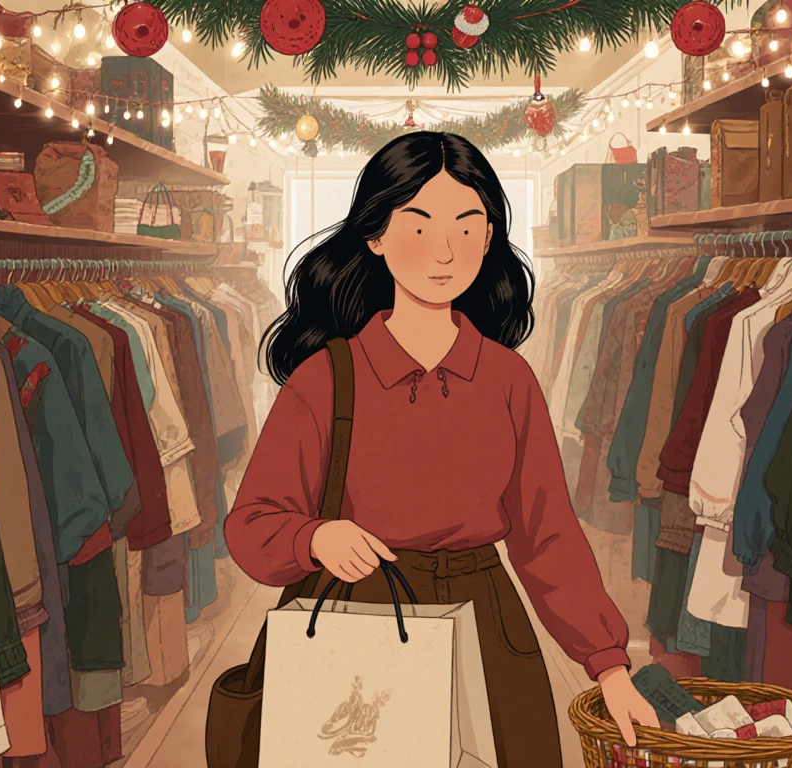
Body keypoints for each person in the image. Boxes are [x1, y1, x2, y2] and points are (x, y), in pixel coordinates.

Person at [225, 131, 658, 766]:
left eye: (467, 224)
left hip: (487, 627)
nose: (445, 250)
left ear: (489, 237)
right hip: (359, 618)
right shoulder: (325, 378)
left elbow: (547, 535)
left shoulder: (509, 379)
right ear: (375, 235)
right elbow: (251, 524)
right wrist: (313, 539)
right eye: (419, 224)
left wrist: (609, 665)